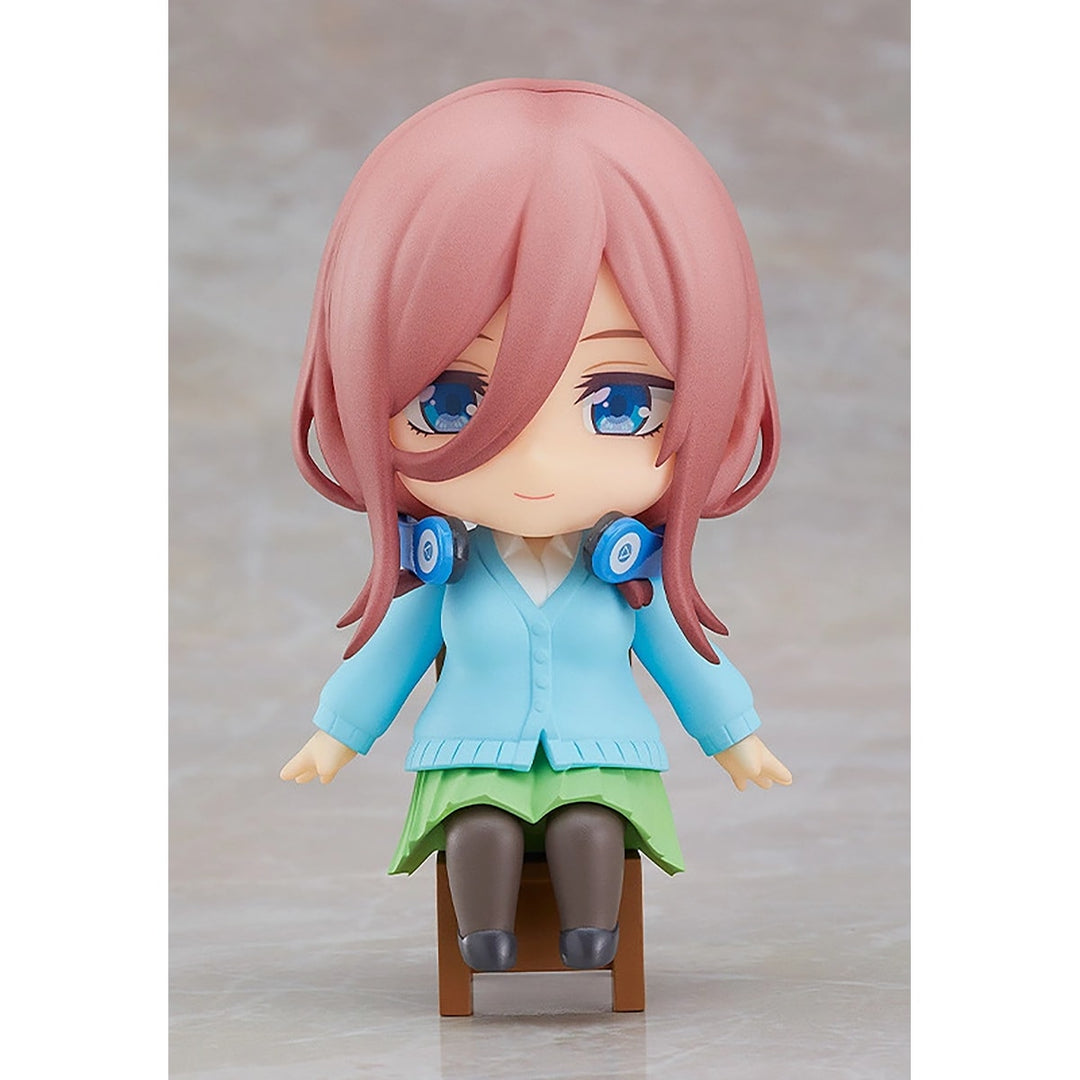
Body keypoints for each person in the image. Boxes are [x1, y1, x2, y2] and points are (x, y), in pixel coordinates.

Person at [280, 78, 792, 974]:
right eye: (450, 400)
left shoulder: (627, 576)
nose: (535, 461)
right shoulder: (449, 574)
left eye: (623, 403)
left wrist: (735, 738)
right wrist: (336, 735)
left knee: (592, 829)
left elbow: (684, 658)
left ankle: (594, 942)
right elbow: (390, 654)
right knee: (477, 832)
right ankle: (485, 942)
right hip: (472, 754)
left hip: (602, 753)